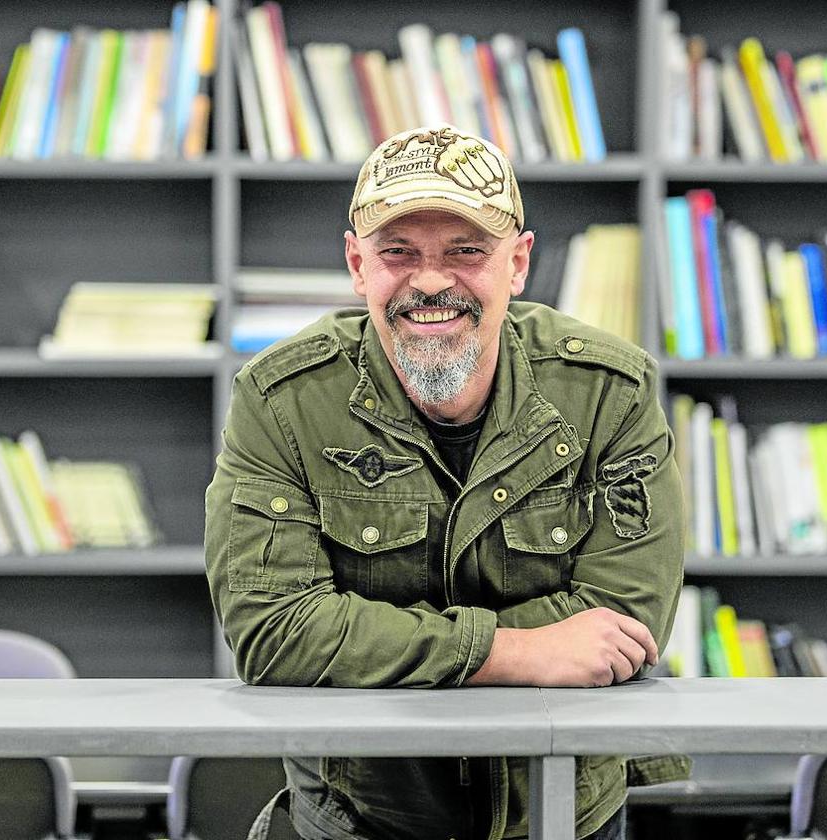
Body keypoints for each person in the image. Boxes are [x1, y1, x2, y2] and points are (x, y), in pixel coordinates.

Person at [204, 125, 687, 840]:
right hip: (359, 817)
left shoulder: (608, 391)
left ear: (518, 263)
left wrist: (375, 639)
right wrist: (517, 652)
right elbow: (274, 631)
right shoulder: (280, 400)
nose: (430, 282)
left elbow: (625, 622)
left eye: (466, 251)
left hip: (563, 814)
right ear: (357, 265)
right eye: (399, 253)